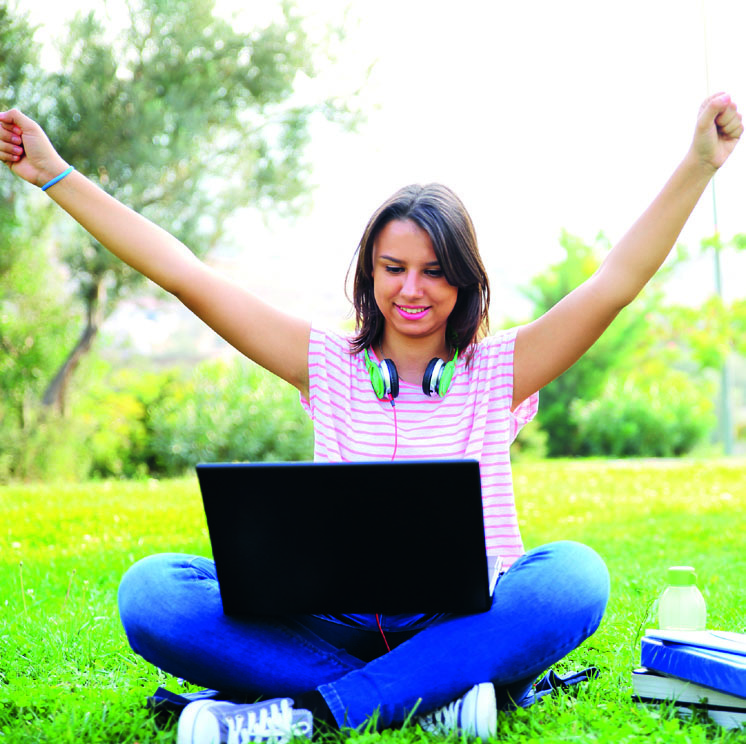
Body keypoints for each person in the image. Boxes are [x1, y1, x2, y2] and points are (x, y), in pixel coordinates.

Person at [0, 93, 741, 743]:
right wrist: (56, 174)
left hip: (463, 620)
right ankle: (430, 697)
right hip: (330, 623)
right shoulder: (325, 363)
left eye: (435, 270)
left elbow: (615, 283)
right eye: (394, 268)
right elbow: (186, 274)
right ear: (370, 273)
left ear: (465, 280)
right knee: (154, 593)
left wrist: (699, 164)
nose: (412, 290)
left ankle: (316, 710)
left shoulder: (499, 370)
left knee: (574, 577)